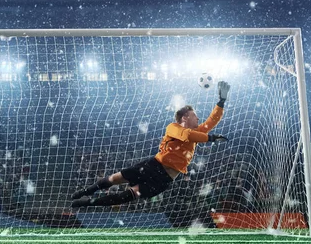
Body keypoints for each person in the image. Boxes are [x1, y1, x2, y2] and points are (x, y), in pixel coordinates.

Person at [71, 81, 231, 208]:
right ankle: (86, 192)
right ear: (184, 118)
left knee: (129, 196)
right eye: (194, 116)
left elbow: (211, 121)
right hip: (153, 166)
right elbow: (187, 135)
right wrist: (210, 138)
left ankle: (87, 203)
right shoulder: (174, 128)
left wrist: (221, 102)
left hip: (166, 178)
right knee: (114, 178)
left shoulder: (197, 134)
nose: (198, 119)